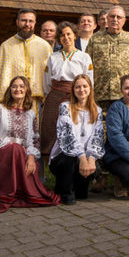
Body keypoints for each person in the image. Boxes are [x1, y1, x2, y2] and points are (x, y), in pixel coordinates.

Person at [0, 76, 59, 212]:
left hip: (19, 156)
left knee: (20, 152)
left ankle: (20, 193)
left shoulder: (31, 114)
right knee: (16, 149)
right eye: (14, 86)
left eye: (22, 86)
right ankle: (8, 192)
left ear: (27, 90)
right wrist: (12, 146)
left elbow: (34, 140)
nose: (18, 89)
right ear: (10, 90)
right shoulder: (0, 109)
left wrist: (32, 157)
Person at [0, 9, 51, 147]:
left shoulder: (44, 47)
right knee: (12, 137)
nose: (27, 24)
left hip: (36, 101)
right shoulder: (6, 46)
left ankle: (34, 166)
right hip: (12, 102)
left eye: (30, 21)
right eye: (24, 20)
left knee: (35, 139)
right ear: (17, 22)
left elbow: (49, 76)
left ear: (35, 23)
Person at [48, 74, 104, 205]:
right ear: (73, 90)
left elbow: (98, 136)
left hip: (84, 159)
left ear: (90, 89)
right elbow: (68, 136)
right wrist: (82, 157)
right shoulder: (65, 107)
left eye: (85, 86)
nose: (81, 89)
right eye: (78, 87)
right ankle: (65, 191)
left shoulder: (97, 111)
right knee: (70, 158)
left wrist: (91, 159)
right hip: (64, 158)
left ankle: (75, 184)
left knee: (83, 194)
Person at [42, 22, 92, 161]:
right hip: (55, 94)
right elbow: (47, 80)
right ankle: (52, 159)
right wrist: (49, 95)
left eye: (69, 34)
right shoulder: (53, 57)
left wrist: (84, 98)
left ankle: (76, 157)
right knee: (51, 126)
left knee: (74, 127)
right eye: (62, 35)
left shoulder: (84, 57)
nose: (66, 37)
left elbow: (89, 80)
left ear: (75, 35)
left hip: (76, 95)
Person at [87, 5, 129, 110]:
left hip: (124, 94)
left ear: (124, 20)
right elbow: (87, 66)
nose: (115, 20)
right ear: (107, 18)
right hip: (100, 94)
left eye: (119, 17)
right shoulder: (95, 39)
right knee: (101, 125)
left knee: (124, 124)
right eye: (112, 16)